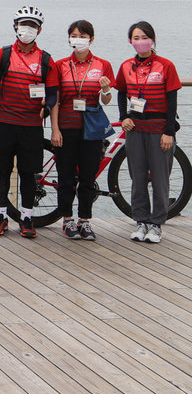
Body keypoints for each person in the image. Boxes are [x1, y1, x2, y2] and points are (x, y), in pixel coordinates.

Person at [0, 6, 57, 239]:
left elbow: (52, 92)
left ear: (39, 30)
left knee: (29, 173)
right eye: (23, 24)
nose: (27, 29)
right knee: (2, 170)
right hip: (2, 122)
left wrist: (48, 107)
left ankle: (27, 217)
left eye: (32, 25)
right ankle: (0, 216)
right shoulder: (5, 53)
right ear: (15, 27)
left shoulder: (46, 59)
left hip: (31, 125)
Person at [115, 21, 181, 244]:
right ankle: (140, 221)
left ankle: (156, 224)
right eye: (136, 37)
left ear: (152, 39)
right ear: (130, 41)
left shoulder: (166, 65)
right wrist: (124, 117)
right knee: (138, 177)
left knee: (161, 179)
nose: (140, 41)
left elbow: (172, 100)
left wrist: (169, 131)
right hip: (135, 129)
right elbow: (121, 93)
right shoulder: (125, 66)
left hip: (159, 130)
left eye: (144, 37)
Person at [48, 20, 114, 240]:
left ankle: (84, 220)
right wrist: (55, 129)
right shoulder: (60, 65)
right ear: (69, 39)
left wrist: (105, 89)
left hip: (91, 130)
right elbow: (54, 100)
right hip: (66, 127)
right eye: (74, 35)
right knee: (66, 177)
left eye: (83, 35)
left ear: (91, 39)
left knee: (87, 177)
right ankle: (67, 220)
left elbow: (106, 100)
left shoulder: (103, 65)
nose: (78, 39)